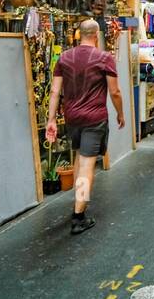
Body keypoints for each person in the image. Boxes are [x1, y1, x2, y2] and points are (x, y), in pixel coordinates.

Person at [45, 20, 125, 234]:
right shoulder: (104, 58)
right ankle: (78, 216)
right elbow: (115, 92)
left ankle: (79, 202)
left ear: (79, 34)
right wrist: (120, 113)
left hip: (73, 119)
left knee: (80, 156)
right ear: (96, 35)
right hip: (94, 118)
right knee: (88, 164)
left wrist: (51, 119)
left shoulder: (64, 57)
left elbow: (55, 92)